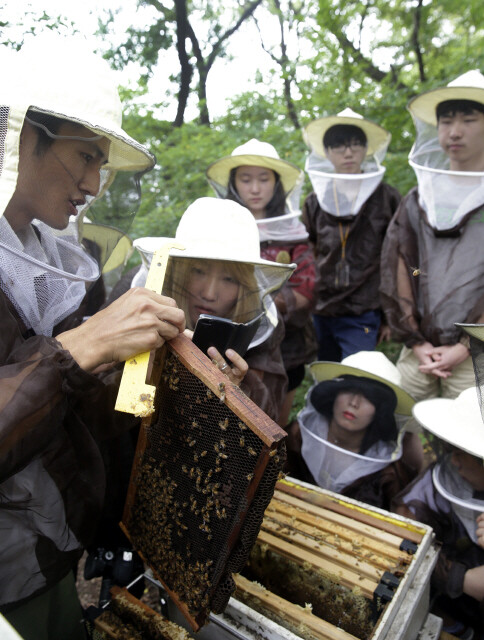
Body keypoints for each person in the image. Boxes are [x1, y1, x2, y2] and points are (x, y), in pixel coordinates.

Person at [0, 37, 187, 640]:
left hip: (45, 549)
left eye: (102, 163)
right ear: (24, 139)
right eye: (85, 157)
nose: (96, 182)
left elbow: (79, 414)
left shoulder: (47, 256)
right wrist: (78, 349)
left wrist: (169, 382)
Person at [132, 197, 295, 423]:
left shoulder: (263, 334)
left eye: (229, 279)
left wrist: (237, 394)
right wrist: (142, 374)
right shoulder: (142, 307)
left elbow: (269, 417)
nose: (209, 293)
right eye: (198, 271)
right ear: (179, 272)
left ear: (244, 286)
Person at [380, 70, 484, 401]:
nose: (455, 131)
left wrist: (466, 346)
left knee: (469, 444)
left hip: (476, 355)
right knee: (399, 424)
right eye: (446, 122)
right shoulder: (419, 198)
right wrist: (417, 341)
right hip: (420, 350)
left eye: (469, 119)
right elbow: (399, 263)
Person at [206, 139, 317, 425]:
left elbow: (306, 291)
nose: (255, 188)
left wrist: (251, 299)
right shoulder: (218, 229)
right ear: (234, 184)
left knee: (271, 426)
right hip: (227, 346)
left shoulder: (294, 235)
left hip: (288, 351)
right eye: (245, 179)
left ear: (276, 183)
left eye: (263, 179)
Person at [302, 108, 401, 362]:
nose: (348, 153)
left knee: (359, 375)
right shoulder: (315, 201)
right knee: (325, 374)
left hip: (365, 309)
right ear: (327, 152)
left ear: (366, 149)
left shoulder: (386, 197)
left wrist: (390, 315)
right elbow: (307, 254)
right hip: (322, 307)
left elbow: (398, 257)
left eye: (355, 145)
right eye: (339, 146)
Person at [393, 387, 484, 637]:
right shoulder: (423, 499)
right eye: (451, 449)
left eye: (463, 453)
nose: (454, 461)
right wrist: (461, 579)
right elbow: (408, 556)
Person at [286, 351, 421, 510]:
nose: (354, 402)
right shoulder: (297, 436)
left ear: (380, 411)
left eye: (369, 397)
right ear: (334, 394)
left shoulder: (389, 472)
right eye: (348, 390)